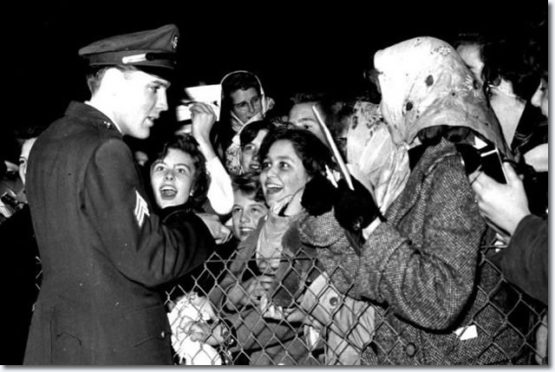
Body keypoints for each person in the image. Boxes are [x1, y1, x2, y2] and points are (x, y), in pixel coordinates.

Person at [298, 36, 527, 365]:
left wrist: (373, 226)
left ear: (419, 86)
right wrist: (329, 218)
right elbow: (374, 282)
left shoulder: (453, 169)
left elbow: (439, 301)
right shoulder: (419, 164)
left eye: (384, 94)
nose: (380, 109)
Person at [24, 24, 216, 365]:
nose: (164, 104)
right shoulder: (108, 149)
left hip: (60, 343)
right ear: (113, 81)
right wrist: (203, 230)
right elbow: (150, 260)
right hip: (115, 347)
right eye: (155, 88)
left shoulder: (49, 141)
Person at [209, 128, 331, 365]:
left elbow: (283, 317)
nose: (269, 174)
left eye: (283, 165)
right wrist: (237, 294)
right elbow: (219, 289)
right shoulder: (264, 226)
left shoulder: (319, 230)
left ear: (311, 174)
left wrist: (228, 333)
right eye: (266, 165)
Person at [211, 70, 274, 176]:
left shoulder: (278, 130)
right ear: (230, 109)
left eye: (255, 100)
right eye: (242, 105)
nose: (252, 109)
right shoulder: (219, 142)